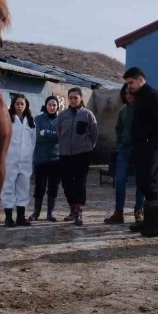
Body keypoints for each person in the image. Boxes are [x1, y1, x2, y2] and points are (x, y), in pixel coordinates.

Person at [124, 67, 158, 237]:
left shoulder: (153, 96)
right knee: (143, 182)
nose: (129, 86)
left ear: (140, 79)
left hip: (151, 146)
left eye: (131, 82)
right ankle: (149, 222)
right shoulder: (142, 96)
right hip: (142, 146)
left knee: (148, 183)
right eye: (127, 83)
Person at [56, 87, 98, 226]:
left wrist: (88, 147)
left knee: (80, 182)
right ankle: (72, 208)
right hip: (65, 154)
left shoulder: (87, 115)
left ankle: (79, 211)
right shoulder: (62, 115)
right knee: (67, 183)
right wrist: (63, 145)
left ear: (80, 98)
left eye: (76, 97)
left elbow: (94, 133)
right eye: (71, 98)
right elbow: (59, 132)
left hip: (82, 154)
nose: (73, 100)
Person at [104, 83, 145, 225]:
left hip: (141, 150)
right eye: (126, 93)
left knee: (141, 180)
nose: (129, 96)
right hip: (125, 150)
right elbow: (118, 129)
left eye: (131, 93)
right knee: (120, 179)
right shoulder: (123, 111)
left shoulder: (143, 109)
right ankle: (118, 213)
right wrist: (120, 143)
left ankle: (139, 210)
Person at [2, 94, 36, 227]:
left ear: (26, 105)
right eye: (17, 103)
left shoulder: (31, 122)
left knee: (23, 187)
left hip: (26, 160)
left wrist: (29, 154)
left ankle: (20, 217)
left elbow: (33, 141)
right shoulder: (8, 119)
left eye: (22, 104)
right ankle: (8, 218)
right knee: (8, 187)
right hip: (10, 159)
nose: (20, 106)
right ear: (13, 105)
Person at [29, 95, 61, 222]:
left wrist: (46, 132)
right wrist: (49, 135)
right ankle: (36, 212)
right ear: (45, 105)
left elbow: (60, 136)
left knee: (53, 187)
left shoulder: (60, 119)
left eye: (54, 105)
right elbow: (37, 136)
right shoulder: (38, 119)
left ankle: (50, 213)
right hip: (40, 159)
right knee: (39, 187)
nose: (52, 107)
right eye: (49, 104)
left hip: (56, 159)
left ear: (57, 106)